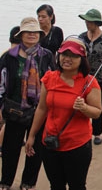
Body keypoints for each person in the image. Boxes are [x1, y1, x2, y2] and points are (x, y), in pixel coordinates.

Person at [25, 37, 102, 190]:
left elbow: (97, 113)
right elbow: (42, 108)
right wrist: (32, 135)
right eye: (64, 54)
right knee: (56, 185)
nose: (67, 59)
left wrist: (84, 107)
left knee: (77, 185)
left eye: (73, 55)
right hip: (50, 142)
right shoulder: (49, 78)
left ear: (82, 59)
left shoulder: (89, 82)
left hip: (77, 145)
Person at [0, 17, 55, 190]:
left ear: (40, 35)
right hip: (15, 108)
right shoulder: (9, 56)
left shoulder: (46, 56)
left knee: (36, 149)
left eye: (35, 32)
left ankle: (28, 182)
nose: (31, 35)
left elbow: (53, 80)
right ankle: (6, 181)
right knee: (10, 149)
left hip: (39, 109)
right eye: (28, 32)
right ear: (21, 34)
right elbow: (1, 83)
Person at [78, 9, 102, 145]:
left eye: (90, 22)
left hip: (98, 78)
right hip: (82, 76)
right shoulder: (81, 37)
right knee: (81, 104)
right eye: (86, 21)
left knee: (97, 105)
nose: (87, 24)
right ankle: (82, 130)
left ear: (97, 23)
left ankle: (97, 133)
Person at [0, 27, 22, 159]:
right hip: (8, 96)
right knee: (7, 123)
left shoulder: (6, 53)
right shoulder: (11, 55)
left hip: (5, 95)